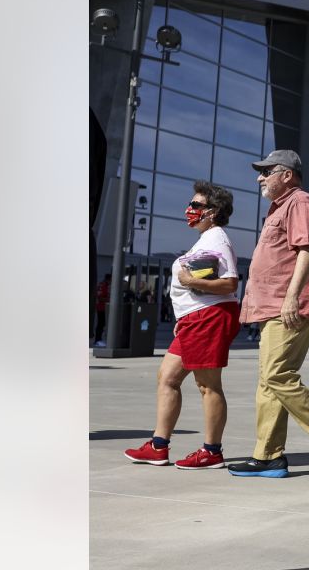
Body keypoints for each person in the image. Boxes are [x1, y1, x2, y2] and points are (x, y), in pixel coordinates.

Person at [227, 149, 309, 480]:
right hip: (273, 306)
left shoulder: (300, 203)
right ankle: (268, 456)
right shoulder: (282, 207)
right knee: (268, 383)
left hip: (287, 307)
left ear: (286, 175)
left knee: (276, 375)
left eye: (266, 171)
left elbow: (308, 250)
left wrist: (291, 297)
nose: (260, 177)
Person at [124, 181, 242, 470]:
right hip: (193, 320)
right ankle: (158, 446)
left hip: (209, 317)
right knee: (167, 378)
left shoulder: (217, 239)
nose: (189, 209)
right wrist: (183, 317)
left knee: (207, 385)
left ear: (212, 212)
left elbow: (229, 282)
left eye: (196, 205)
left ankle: (212, 451)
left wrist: (191, 282)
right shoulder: (205, 240)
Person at [93, 273, 111, 347]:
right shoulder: (103, 285)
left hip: (103, 308)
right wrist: (109, 299)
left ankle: (99, 339)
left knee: (102, 324)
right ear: (108, 279)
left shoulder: (104, 285)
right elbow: (99, 297)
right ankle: (97, 340)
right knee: (100, 324)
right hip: (101, 308)